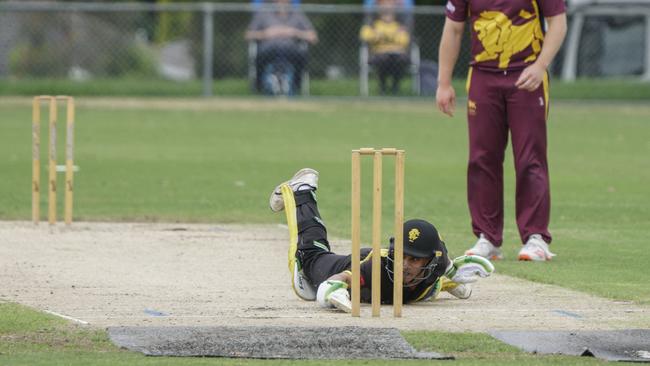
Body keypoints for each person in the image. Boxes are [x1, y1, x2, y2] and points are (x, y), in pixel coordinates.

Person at [436, 0, 567, 261]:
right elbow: (453, 29)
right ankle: (488, 238)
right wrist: (444, 82)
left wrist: (540, 66)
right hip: (483, 76)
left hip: (526, 74)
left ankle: (536, 237)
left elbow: (558, 23)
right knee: (482, 159)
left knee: (530, 158)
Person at [269, 168, 494, 312]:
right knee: (310, 253)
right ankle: (302, 189)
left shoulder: (440, 261)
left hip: (417, 282)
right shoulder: (375, 268)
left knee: (430, 289)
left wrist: (454, 275)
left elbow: (448, 264)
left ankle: (446, 286)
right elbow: (341, 279)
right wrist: (333, 288)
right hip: (348, 265)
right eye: (402, 256)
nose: (405, 264)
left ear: (431, 261)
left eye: (415, 260)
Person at [245, 0, 318, 95]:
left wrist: (294, 32)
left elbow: (313, 37)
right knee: (262, 56)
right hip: (268, 50)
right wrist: (266, 33)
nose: (281, 2)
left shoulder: (297, 14)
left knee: (301, 55)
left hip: (290, 50)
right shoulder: (263, 13)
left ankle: (295, 85)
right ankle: (261, 86)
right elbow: (248, 35)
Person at [360, 0, 411, 95]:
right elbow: (365, 35)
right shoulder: (373, 24)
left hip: (397, 54)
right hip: (379, 53)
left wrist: (383, 36)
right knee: (383, 59)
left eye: (390, 6)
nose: (387, 8)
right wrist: (378, 36)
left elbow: (405, 40)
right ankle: (382, 86)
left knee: (402, 60)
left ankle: (395, 86)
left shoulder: (399, 25)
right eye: (384, 6)